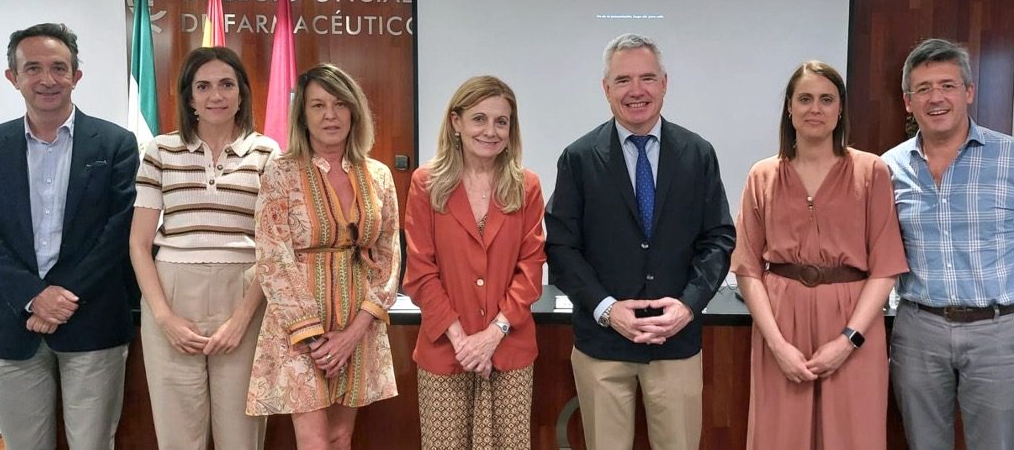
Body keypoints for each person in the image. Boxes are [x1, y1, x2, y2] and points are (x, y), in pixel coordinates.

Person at [545, 33, 735, 450]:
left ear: (664, 84)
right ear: (605, 89)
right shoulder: (578, 158)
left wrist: (688, 305)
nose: (636, 90)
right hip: (602, 344)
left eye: (647, 78)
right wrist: (607, 309)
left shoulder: (698, 153)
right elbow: (561, 248)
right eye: (623, 80)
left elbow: (718, 238)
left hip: (676, 341)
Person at [0, 23, 138, 449]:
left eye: (59, 68)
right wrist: (34, 296)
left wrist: (62, 298)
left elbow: (118, 232)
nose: (47, 79)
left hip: (92, 322)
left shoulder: (115, 144)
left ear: (76, 76)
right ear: (13, 77)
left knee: (93, 443)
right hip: (12, 322)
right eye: (33, 68)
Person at [883, 38, 1014, 450]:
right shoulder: (888, 167)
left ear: (968, 92)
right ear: (908, 102)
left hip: (999, 332)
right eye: (923, 88)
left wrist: (1009, 318)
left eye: (947, 85)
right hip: (919, 331)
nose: (936, 98)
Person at [730, 61, 908, 449]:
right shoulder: (762, 175)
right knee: (780, 437)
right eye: (805, 99)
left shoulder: (871, 171)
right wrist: (777, 345)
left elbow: (885, 268)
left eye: (826, 99)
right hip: (781, 325)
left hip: (854, 324)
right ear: (789, 108)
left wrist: (848, 340)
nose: (815, 108)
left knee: (854, 437)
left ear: (840, 109)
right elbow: (747, 268)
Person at [246, 63, 400, 449]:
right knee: (314, 440)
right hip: (298, 331)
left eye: (339, 104)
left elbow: (389, 256)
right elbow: (272, 258)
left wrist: (352, 333)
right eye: (318, 105)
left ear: (354, 111)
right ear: (303, 116)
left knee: (340, 437)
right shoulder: (280, 173)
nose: (330, 115)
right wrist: (315, 338)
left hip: (358, 324)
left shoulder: (379, 175)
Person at [130, 47, 277, 449]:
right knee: (178, 436)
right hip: (172, 294)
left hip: (245, 296)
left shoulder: (268, 153)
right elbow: (139, 244)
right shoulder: (161, 151)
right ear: (189, 97)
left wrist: (241, 320)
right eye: (203, 86)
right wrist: (163, 317)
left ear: (242, 94)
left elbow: (275, 249)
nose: (216, 95)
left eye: (227, 84)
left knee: (241, 437)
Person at [403, 76, 546, 450]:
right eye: (479, 119)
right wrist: (463, 342)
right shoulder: (426, 184)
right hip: (445, 350)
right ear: (456, 122)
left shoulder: (526, 186)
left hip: (509, 350)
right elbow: (421, 271)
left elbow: (531, 269)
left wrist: (493, 334)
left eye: (501, 121)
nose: (490, 131)